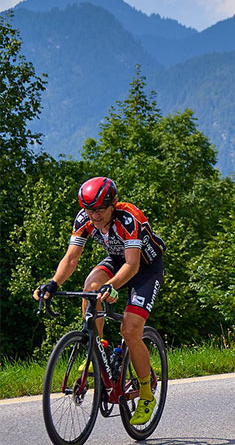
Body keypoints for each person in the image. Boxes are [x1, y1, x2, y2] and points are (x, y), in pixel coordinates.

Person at [34, 177, 166, 425]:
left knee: (130, 329)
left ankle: (147, 393)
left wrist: (112, 285)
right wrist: (53, 283)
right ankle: (100, 347)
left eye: (99, 210)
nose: (94, 216)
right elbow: (71, 259)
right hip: (117, 261)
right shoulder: (84, 219)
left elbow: (133, 265)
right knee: (89, 288)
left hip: (145, 269)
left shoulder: (129, 218)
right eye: (88, 209)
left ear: (113, 204)